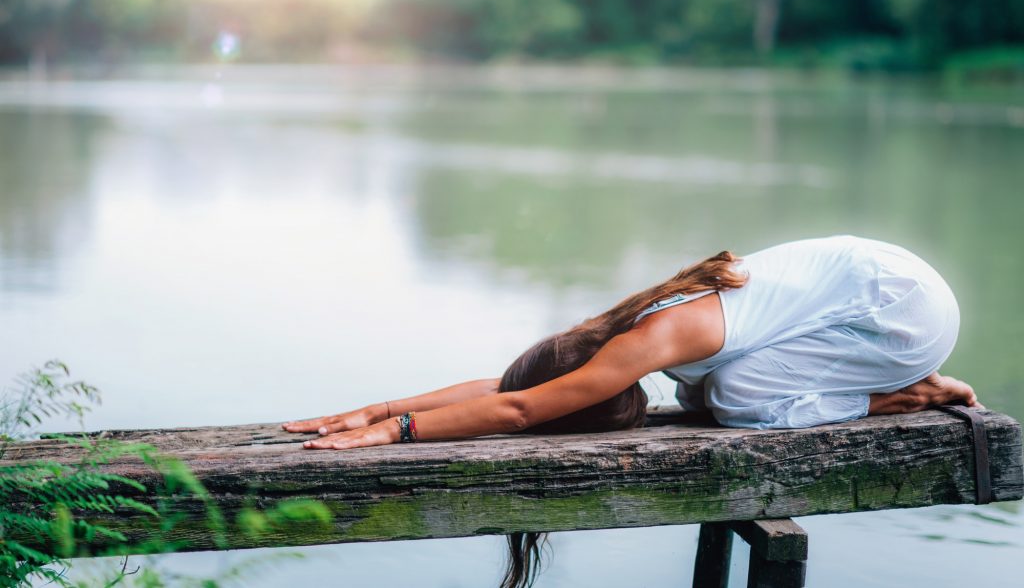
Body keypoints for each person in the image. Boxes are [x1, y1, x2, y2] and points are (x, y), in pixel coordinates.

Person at [282, 234, 980, 588]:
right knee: (704, 396)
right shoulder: (611, 335)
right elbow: (506, 389)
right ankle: (892, 379)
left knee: (733, 401)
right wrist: (371, 408)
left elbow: (522, 411)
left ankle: (911, 391)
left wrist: (396, 433)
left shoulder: (651, 340)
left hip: (901, 316)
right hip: (879, 282)